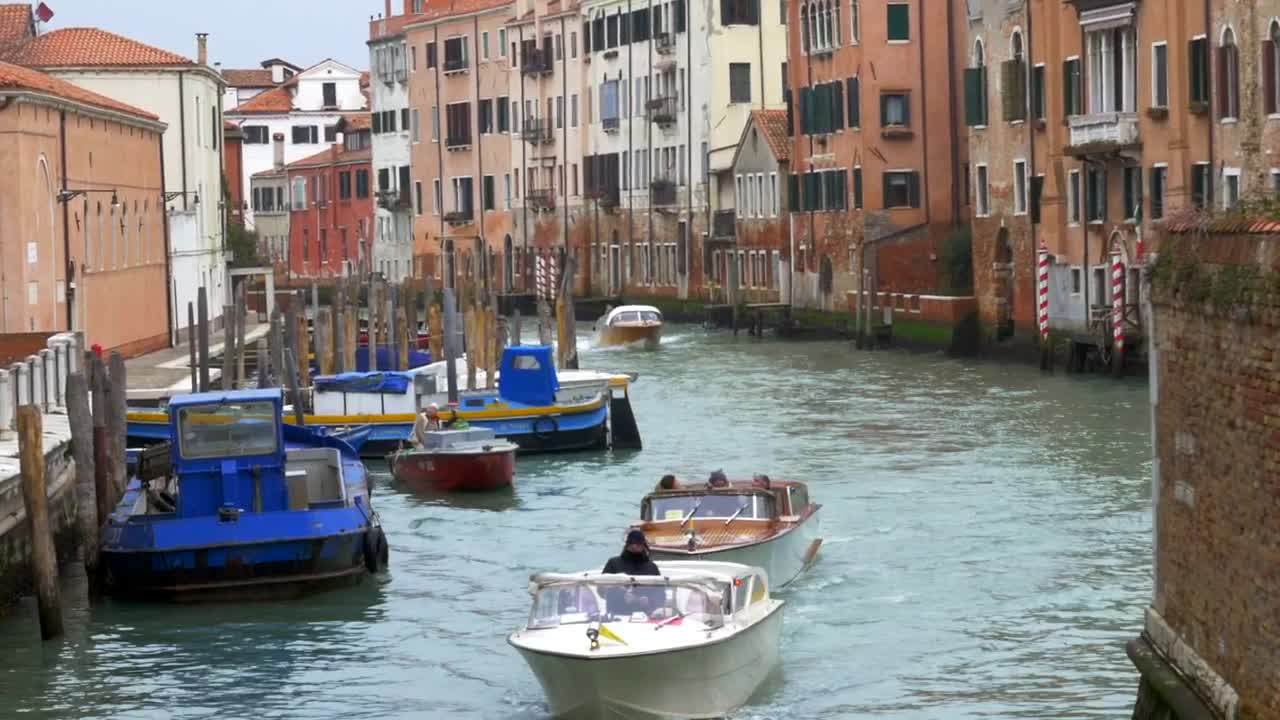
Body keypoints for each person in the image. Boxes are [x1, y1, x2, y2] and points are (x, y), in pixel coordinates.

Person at [602, 529, 662, 616]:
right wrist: (620, 593)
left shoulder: (652, 567)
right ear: (627, 545)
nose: (635, 546)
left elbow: (660, 594)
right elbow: (601, 589)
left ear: (642, 545)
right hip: (617, 613)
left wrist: (649, 600)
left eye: (638, 544)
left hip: (645, 614)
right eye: (632, 544)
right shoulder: (613, 563)